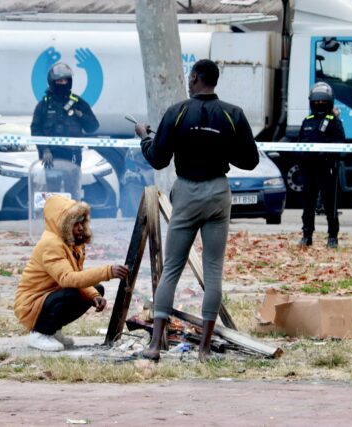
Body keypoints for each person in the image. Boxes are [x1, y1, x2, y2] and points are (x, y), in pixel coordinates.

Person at [134, 59, 259, 362]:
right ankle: (203, 349)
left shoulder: (177, 112)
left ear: (194, 78)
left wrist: (144, 137)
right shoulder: (233, 114)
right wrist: (222, 147)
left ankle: (155, 345)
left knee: (172, 267)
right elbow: (250, 160)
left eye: (190, 79)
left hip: (187, 191)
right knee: (213, 269)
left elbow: (158, 158)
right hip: (218, 192)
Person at [14, 194, 129, 351]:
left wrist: (93, 296)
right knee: (70, 293)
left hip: (49, 296)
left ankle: (53, 331)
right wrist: (107, 271)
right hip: (31, 304)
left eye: (82, 222)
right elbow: (68, 279)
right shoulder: (51, 244)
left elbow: (78, 276)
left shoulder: (72, 242)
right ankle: (40, 334)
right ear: (62, 224)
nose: (80, 227)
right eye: (75, 223)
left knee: (96, 289)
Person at [31, 63, 99, 200]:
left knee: (73, 192)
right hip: (51, 156)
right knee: (53, 194)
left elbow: (93, 126)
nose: (63, 83)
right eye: (59, 81)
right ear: (52, 82)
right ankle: (54, 214)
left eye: (65, 80)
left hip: (72, 155)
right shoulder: (44, 105)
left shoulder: (77, 102)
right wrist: (45, 150)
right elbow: (35, 129)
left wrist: (81, 115)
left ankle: (71, 214)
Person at [297, 82, 346, 249]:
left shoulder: (334, 121)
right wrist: (302, 160)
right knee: (308, 205)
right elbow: (299, 144)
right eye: (316, 101)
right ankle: (307, 236)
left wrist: (326, 154)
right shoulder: (307, 121)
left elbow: (340, 144)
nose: (319, 104)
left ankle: (332, 237)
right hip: (309, 170)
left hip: (327, 169)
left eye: (322, 101)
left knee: (330, 204)